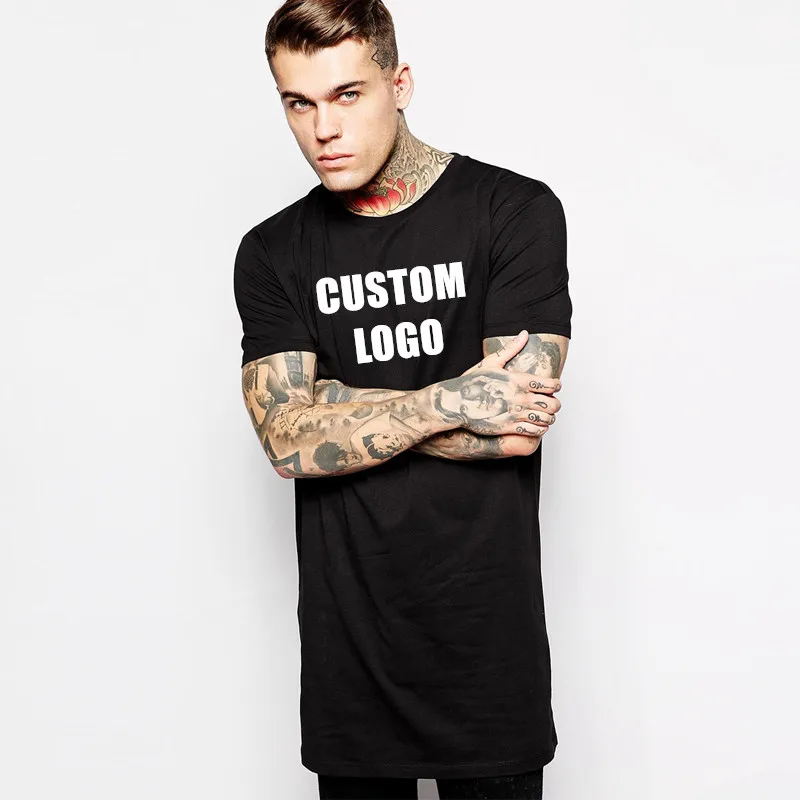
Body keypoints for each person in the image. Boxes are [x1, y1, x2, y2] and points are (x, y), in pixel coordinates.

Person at [232, 2, 573, 797]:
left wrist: (329, 409)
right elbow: (285, 440)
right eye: (298, 103)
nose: (324, 129)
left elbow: (515, 428)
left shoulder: (512, 212)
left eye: (347, 94)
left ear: (400, 83)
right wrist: (452, 398)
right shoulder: (273, 252)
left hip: (488, 649)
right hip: (351, 657)